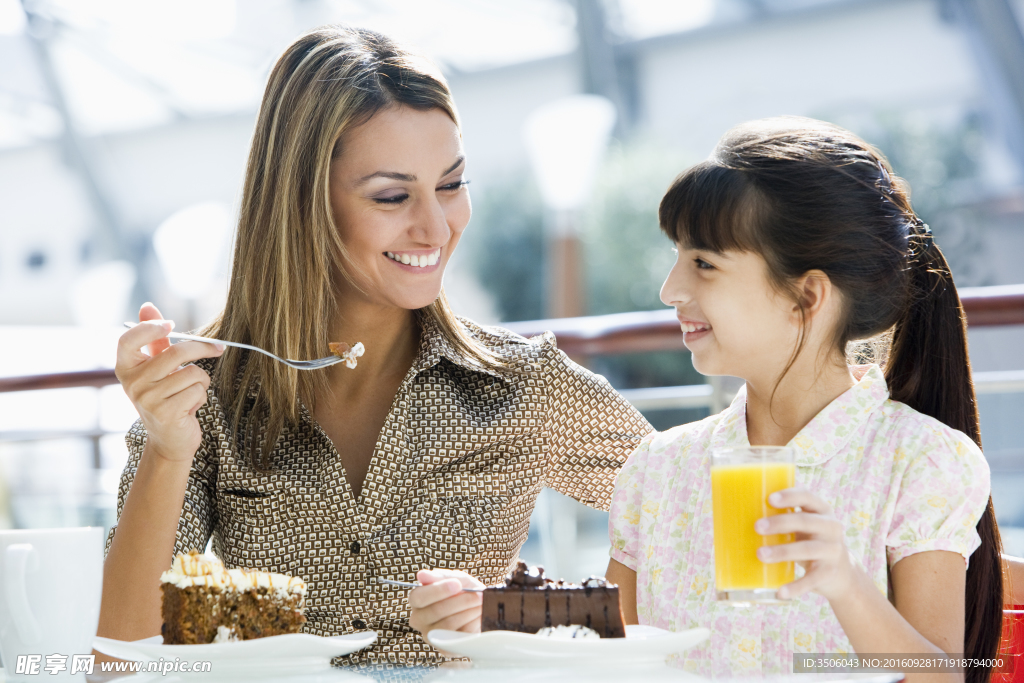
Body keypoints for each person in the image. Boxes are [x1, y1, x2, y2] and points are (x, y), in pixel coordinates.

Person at [100, 25, 652, 666]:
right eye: (392, 195)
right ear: (302, 203)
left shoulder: (523, 384)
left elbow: (694, 528)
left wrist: (509, 613)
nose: (437, 226)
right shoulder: (206, 397)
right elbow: (118, 665)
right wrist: (168, 451)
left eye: (451, 183)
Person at [606, 117, 1003, 682]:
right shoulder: (658, 469)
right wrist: (491, 616)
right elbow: (604, 659)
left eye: (703, 263)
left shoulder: (921, 460)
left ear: (807, 295)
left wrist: (844, 581)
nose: (670, 289)